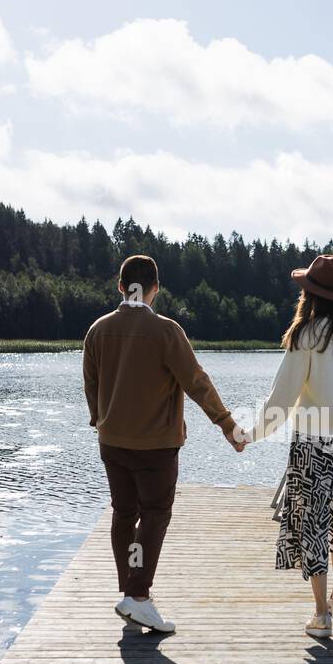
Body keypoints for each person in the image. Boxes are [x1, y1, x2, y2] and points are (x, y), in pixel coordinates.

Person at [83, 253, 244, 633]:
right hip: (155, 448)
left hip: (113, 443)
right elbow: (196, 382)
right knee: (153, 515)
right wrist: (227, 424)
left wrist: (100, 420)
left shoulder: (98, 331)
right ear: (155, 289)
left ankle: (130, 592)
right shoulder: (166, 332)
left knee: (124, 514)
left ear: (121, 286)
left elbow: (92, 386)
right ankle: (137, 597)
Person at [241, 254, 333, 638]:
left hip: (313, 443)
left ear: (310, 295)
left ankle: (321, 616)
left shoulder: (306, 336)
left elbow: (281, 401)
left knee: (313, 524)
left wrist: (250, 435)